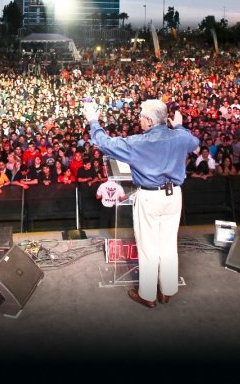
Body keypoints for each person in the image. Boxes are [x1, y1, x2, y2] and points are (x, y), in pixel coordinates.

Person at [83, 98, 199, 309]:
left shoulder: (138, 142)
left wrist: (93, 120)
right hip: (174, 196)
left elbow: (104, 143)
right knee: (168, 243)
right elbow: (195, 143)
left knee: (148, 247)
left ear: (149, 120)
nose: (139, 120)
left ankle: (147, 294)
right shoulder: (181, 136)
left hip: (150, 196)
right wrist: (180, 125)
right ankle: (167, 291)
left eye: (141, 117)